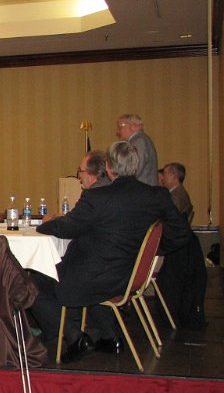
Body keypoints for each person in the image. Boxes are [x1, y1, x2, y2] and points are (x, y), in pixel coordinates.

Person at [29, 141, 190, 361]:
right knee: (91, 268)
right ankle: (108, 336)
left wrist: (42, 223)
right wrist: (148, 252)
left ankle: (74, 337)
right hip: (130, 276)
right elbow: (182, 233)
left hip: (97, 279)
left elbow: (66, 228)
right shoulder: (157, 196)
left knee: (33, 282)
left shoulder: (98, 197)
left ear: (109, 168)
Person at [116, 114, 158, 185]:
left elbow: (135, 169)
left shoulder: (139, 141)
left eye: (120, 127)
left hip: (142, 191)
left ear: (133, 126)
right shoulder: (140, 140)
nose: (118, 131)